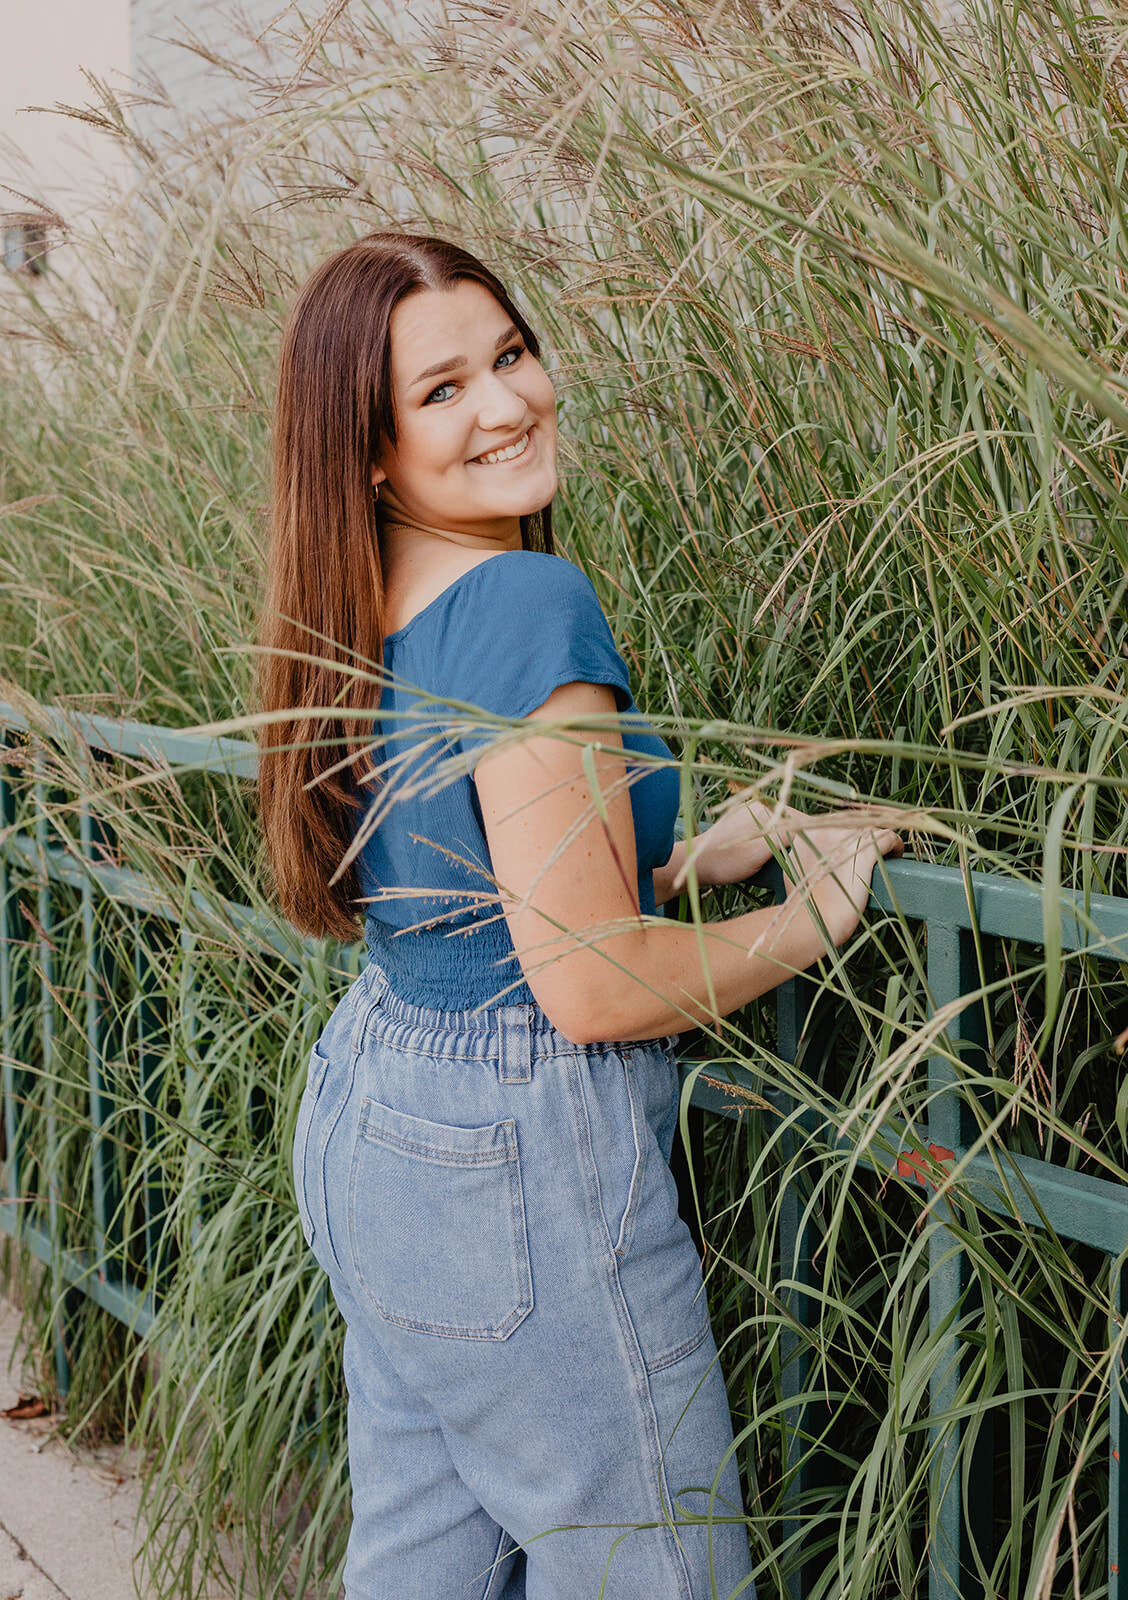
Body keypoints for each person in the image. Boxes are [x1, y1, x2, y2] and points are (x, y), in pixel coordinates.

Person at [256, 231, 903, 1600]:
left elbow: (469, 885)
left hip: (380, 1113)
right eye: (442, 391)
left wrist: (674, 859)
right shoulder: (530, 602)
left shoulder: (369, 606)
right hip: (516, 1155)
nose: (507, 403)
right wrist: (812, 914)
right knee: (650, 1571)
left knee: (427, 1560)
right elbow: (593, 987)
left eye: (509, 355)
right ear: (372, 448)